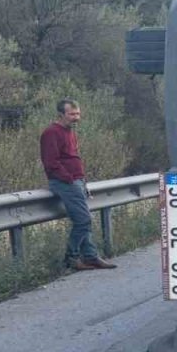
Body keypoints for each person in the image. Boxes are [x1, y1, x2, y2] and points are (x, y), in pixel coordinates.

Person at [40, 99, 117, 270]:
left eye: (78, 114)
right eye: (72, 114)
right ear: (61, 115)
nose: (76, 118)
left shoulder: (70, 132)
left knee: (85, 220)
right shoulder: (51, 133)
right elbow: (51, 162)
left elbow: (72, 157)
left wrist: (81, 180)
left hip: (77, 181)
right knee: (83, 220)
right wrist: (68, 178)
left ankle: (90, 256)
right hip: (65, 182)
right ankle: (71, 258)